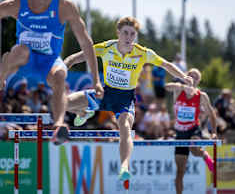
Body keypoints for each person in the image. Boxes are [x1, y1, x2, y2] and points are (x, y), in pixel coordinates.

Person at [64, 17, 194, 182]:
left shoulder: (142, 53)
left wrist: (183, 76)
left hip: (125, 100)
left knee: (125, 127)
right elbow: (80, 56)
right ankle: (83, 111)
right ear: (118, 33)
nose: (128, 37)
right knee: (64, 103)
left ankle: (124, 166)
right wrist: (66, 63)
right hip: (104, 93)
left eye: (132, 34)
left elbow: (166, 65)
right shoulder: (107, 47)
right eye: (125, 33)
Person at [0, 0, 103, 145]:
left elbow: (87, 44)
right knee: (19, 50)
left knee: (61, 74)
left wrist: (96, 80)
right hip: (25, 60)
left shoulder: (64, 7)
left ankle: (59, 126)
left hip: (49, 62)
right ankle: (1, 79)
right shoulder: (17, 3)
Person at [165, 68, 217, 194]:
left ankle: (204, 155)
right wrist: (182, 84)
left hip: (194, 130)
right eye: (190, 75)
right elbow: (167, 86)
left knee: (194, 148)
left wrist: (214, 132)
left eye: (195, 77)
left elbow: (211, 114)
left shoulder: (201, 96)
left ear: (198, 81)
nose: (192, 78)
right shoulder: (178, 89)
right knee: (180, 172)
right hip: (180, 133)